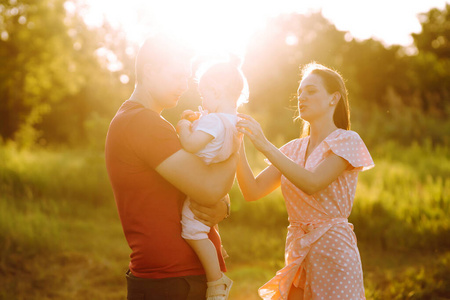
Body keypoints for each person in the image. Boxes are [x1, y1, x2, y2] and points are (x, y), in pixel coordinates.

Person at [105, 35, 238, 300]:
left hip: (174, 278)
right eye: (177, 76)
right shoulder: (142, 123)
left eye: (187, 78)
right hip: (173, 281)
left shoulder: (151, 123)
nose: (184, 85)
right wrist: (235, 139)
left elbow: (202, 186)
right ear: (150, 70)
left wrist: (224, 206)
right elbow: (210, 188)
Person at [236, 62, 374, 299]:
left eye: (311, 91)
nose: (302, 97)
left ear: (334, 98)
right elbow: (253, 190)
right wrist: (237, 142)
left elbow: (312, 183)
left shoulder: (347, 140)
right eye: (299, 92)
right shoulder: (292, 149)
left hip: (333, 250)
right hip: (298, 250)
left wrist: (265, 145)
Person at [176, 57, 248, 300]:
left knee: (191, 232)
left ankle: (217, 283)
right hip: (216, 182)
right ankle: (217, 249)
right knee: (202, 226)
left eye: (204, 95)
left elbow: (191, 144)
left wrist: (183, 125)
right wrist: (199, 118)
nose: (202, 102)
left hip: (198, 182)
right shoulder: (235, 123)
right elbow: (216, 139)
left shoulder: (214, 122)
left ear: (216, 91)